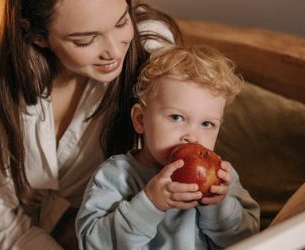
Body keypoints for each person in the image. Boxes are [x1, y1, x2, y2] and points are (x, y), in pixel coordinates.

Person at [0, 0, 182, 249]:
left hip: (48, 218)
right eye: (85, 40)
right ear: (38, 36)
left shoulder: (151, 51)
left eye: (122, 22)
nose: (113, 51)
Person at [76, 45, 260, 249]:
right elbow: (92, 244)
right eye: (176, 117)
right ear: (140, 120)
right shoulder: (116, 176)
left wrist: (218, 208)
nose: (192, 137)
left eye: (207, 124)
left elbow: (251, 240)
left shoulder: (223, 179)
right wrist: (150, 204)